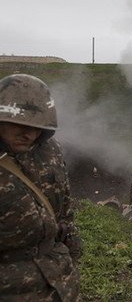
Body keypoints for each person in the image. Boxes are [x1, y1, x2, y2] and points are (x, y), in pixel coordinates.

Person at [0, 74, 81, 301]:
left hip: (60, 285)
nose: (30, 134)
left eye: (37, 126)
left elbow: (64, 207)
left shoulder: (49, 151)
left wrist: (71, 252)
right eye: (20, 124)